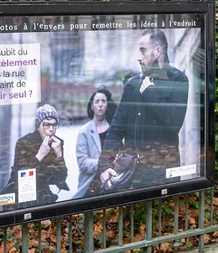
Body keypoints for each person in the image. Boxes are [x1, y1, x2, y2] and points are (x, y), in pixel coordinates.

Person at [98, 29, 190, 191]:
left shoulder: (178, 79)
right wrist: (104, 165)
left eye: (143, 51)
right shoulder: (133, 84)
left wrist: (150, 92)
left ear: (157, 51)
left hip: (163, 174)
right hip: (133, 174)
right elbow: (116, 129)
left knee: (165, 215)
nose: (139, 58)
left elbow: (174, 123)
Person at [0, 104, 69, 210]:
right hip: (22, 198)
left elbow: (60, 178)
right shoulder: (24, 142)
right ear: (38, 126)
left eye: (54, 125)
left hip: (43, 197)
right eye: (46, 125)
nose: (51, 129)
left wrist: (59, 155)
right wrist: (40, 155)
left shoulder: (57, 143)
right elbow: (18, 176)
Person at [75, 86, 117, 198]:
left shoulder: (114, 130)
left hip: (111, 182)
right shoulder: (84, 131)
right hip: (90, 186)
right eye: (97, 101)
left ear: (107, 106)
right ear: (92, 106)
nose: (100, 104)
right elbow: (83, 163)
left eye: (103, 101)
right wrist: (103, 163)